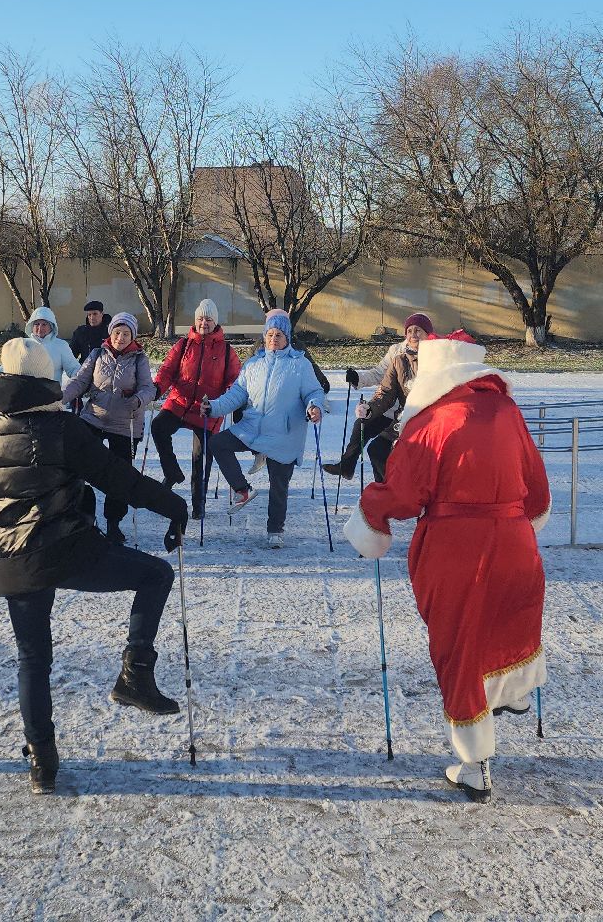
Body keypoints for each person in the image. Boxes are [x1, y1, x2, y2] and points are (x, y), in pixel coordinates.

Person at [0, 338, 190, 795]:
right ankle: (135, 674)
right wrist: (173, 506)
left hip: (14, 561)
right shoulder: (63, 430)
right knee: (156, 574)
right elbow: (121, 480)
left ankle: (42, 762)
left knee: (33, 660)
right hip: (71, 551)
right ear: (45, 379)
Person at [342, 331, 549, 803]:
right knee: (507, 617)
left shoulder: (431, 422)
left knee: (458, 646)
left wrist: (370, 515)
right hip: (515, 541)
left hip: (457, 548)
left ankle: (475, 764)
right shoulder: (507, 411)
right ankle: (510, 690)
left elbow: (401, 494)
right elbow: (536, 484)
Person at [202, 310, 325, 549]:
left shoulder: (300, 364)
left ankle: (275, 529)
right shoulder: (253, 364)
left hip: (284, 433)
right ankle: (243, 489)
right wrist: (213, 407)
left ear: (287, 337)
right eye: (270, 334)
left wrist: (314, 406)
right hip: (253, 427)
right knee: (218, 443)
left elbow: (315, 392)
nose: (273, 339)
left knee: (279, 484)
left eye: (279, 334)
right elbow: (237, 395)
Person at [59, 311, 157, 545]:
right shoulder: (97, 354)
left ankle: (114, 523)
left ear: (132, 336)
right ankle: (79, 515)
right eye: (116, 333)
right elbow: (81, 381)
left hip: (124, 423)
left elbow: (148, 388)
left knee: (119, 475)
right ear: (110, 333)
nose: (120, 338)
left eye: (125, 334)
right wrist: (60, 399)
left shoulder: (139, 359)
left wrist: (138, 400)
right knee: (76, 463)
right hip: (93, 417)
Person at [148, 298, 240, 520]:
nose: (203, 323)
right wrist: (156, 390)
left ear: (215, 322)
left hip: (207, 409)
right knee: (158, 427)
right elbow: (167, 371)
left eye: (208, 319)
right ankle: (172, 473)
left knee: (201, 456)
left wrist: (224, 402)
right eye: (200, 319)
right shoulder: (183, 345)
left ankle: (198, 504)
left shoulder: (227, 351)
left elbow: (234, 381)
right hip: (179, 402)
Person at [323, 311, 433, 482]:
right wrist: (358, 378)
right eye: (409, 330)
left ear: (428, 333)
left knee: (387, 451)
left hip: (416, 415)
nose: (413, 334)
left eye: (418, 330)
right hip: (389, 409)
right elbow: (380, 375)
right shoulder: (397, 353)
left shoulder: (437, 356)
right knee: (363, 425)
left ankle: (393, 490)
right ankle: (348, 466)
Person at [23, 305, 82, 385]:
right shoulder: (23, 344)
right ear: (31, 326)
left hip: (52, 394)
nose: (40, 328)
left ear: (51, 327)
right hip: (26, 394)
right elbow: (9, 367)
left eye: (44, 324)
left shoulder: (61, 345)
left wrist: (81, 382)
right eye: (37, 324)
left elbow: (73, 369)